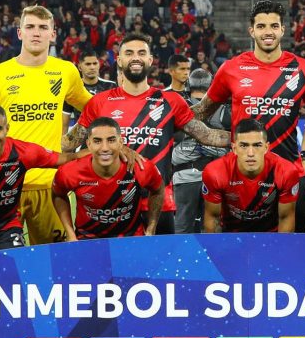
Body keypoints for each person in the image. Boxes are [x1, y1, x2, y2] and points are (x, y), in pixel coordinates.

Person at [62, 33, 230, 235]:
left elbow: (207, 136)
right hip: (111, 204)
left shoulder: (170, 101)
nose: (135, 57)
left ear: (150, 60)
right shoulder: (99, 102)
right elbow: (70, 144)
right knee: (114, 264)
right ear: (119, 59)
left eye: (142, 53)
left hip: (158, 202)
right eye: (129, 53)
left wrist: (253, 138)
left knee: (160, 265)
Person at [192, 0, 305, 232]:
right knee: (241, 248)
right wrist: (171, 118)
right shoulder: (231, 68)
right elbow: (201, 111)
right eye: (261, 26)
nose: (267, 32)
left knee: (294, 247)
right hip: (241, 177)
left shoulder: (304, 69)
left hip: (290, 170)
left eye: (273, 26)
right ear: (252, 30)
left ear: (282, 29)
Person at [0, 5, 92, 245]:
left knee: (53, 262)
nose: (36, 33)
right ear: (19, 32)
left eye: (43, 28)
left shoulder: (65, 71)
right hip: (3, 186)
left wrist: (75, 136)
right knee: (2, 264)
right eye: (30, 27)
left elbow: (92, 108)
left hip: (48, 182)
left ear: (53, 34)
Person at [0, 104, 85, 251]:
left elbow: (67, 159)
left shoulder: (23, 152)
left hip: (5, 227)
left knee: (12, 270)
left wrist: (107, 152)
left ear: (7, 129)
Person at [53, 117, 164, 240]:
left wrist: (151, 228)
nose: (105, 148)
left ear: (121, 143)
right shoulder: (70, 171)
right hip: (87, 239)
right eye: (97, 141)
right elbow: (58, 195)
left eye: (111, 140)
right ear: (88, 144)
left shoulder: (141, 168)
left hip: (131, 238)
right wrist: (70, 234)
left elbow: (158, 190)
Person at [202, 118, 299, 233]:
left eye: (257, 145)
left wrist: (279, 250)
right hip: (230, 236)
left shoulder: (285, 171)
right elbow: (213, 218)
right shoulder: (216, 172)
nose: (250, 153)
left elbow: (286, 217)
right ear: (234, 148)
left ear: (266, 148)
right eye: (244, 145)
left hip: (270, 237)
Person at [172, 68, 230, 233]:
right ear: (211, 86)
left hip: (184, 176)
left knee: (183, 227)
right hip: (217, 177)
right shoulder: (225, 111)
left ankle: (182, 258)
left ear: (189, 85)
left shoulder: (178, 108)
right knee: (213, 227)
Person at [63, 50, 116, 132]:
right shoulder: (72, 89)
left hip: (107, 137)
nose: (92, 67)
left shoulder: (111, 87)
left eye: (95, 63)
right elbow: (64, 124)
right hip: (81, 140)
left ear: (99, 65)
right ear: (80, 67)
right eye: (88, 64)